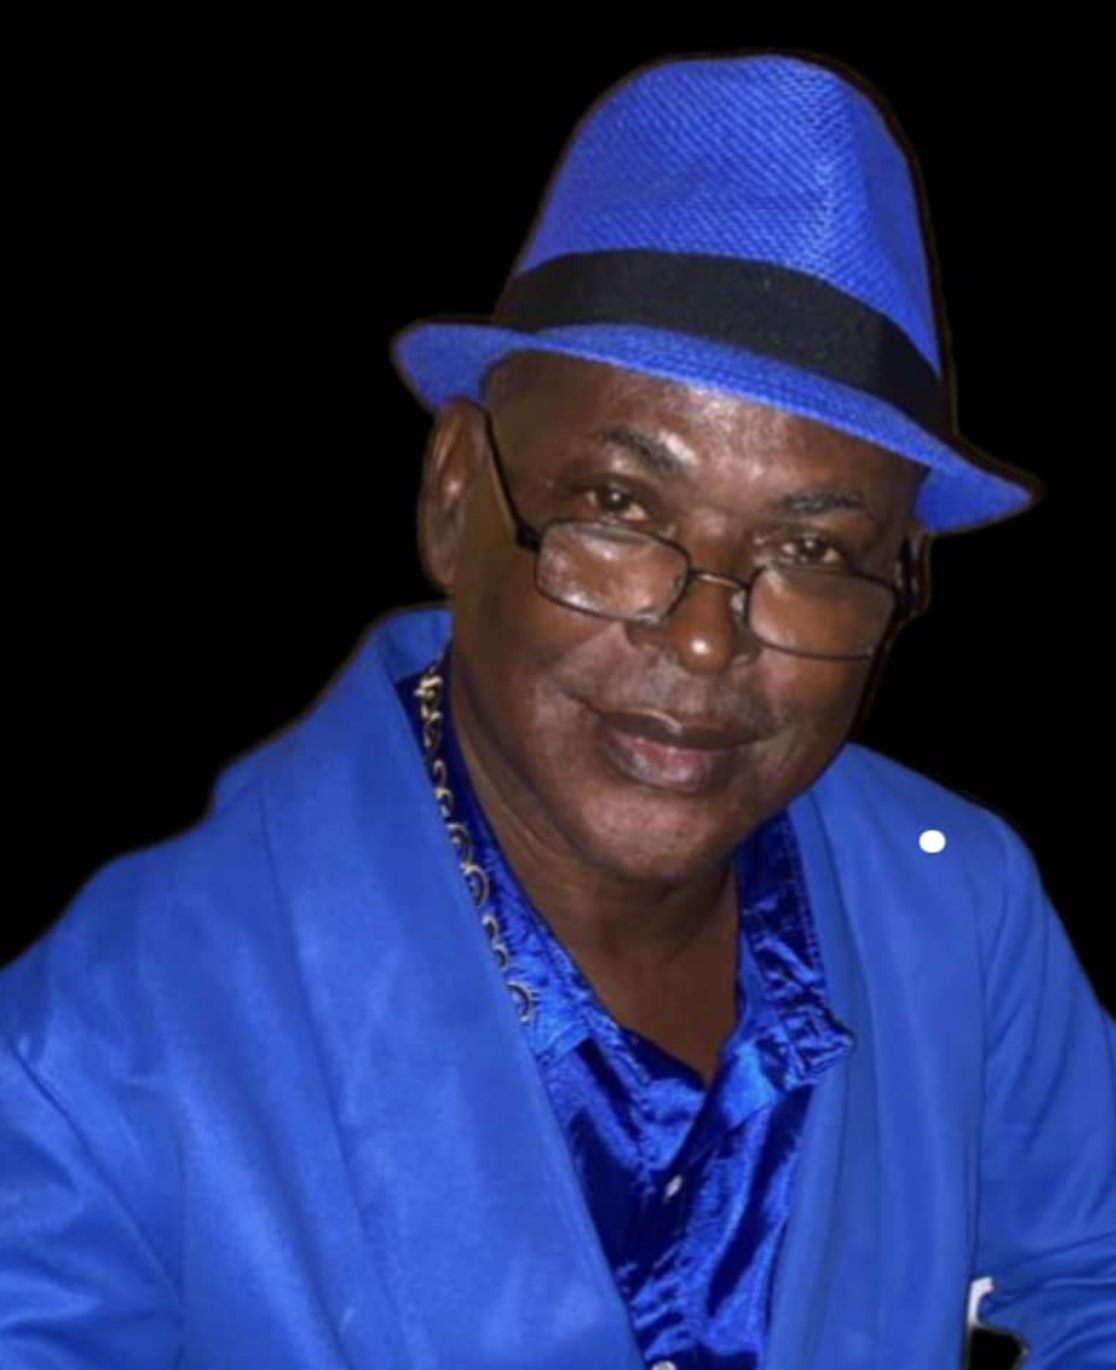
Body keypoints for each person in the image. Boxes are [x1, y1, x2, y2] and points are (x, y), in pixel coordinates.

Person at [2, 48, 1113, 1370]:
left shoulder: (960, 908)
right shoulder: (105, 1037)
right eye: (622, 509)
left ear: (902, 582)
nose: (705, 637)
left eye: (812, 552)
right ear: (458, 492)